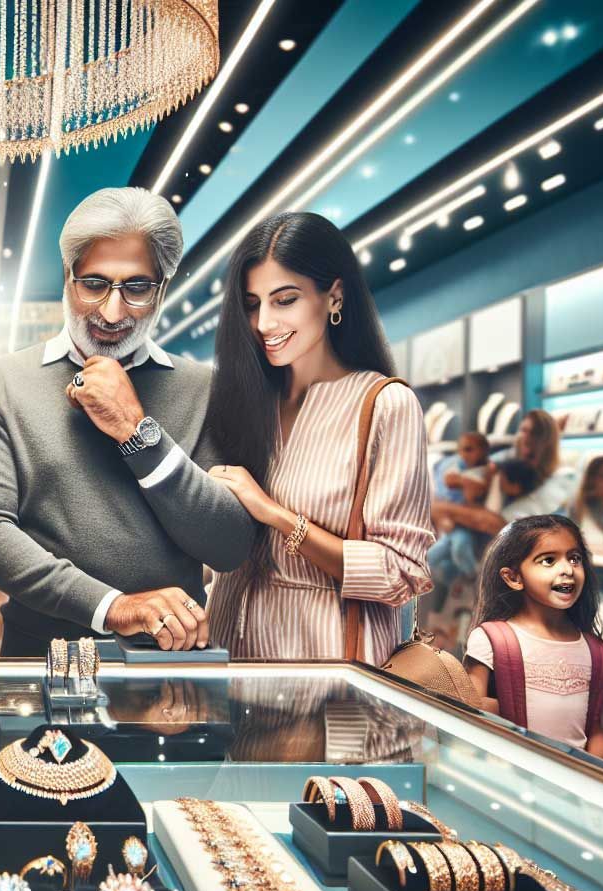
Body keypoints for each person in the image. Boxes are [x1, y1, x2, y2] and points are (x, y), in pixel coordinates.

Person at [0, 187, 253, 655]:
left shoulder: (205, 390)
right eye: (94, 284)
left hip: (169, 664)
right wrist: (114, 607)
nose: (112, 313)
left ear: (162, 289)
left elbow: (228, 545)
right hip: (41, 657)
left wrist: (139, 434)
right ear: (67, 278)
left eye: (136, 288)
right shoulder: (0, 385)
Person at [197, 211, 434, 662]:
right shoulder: (245, 400)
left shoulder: (385, 405)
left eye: (285, 300)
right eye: (252, 304)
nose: (264, 322)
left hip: (325, 659)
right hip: (228, 651)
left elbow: (400, 574)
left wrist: (277, 516)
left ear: (334, 295)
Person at [465, 514, 603, 758]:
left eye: (574, 559)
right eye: (548, 560)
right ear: (513, 578)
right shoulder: (492, 639)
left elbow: (594, 728)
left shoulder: (596, 652)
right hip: (512, 773)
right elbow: (470, 711)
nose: (567, 570)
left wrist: (595, 771)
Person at [433, 410, 578, 533]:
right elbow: (471, 473)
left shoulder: (563, 479)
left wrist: (444, 509)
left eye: (535, 433)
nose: (526, 437)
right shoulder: (511, 457)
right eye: (524, 431)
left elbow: (504, 524)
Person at [428, 431, 493, 589]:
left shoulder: (487, 471)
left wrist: (463, 482)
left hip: (469, 526)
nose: (463, 454)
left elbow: (473, 495)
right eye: (461, 450)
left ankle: (476, 579)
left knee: (459, 547)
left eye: (469, 449)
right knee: (430, 557)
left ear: (483, 450)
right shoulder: (454, 465)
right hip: (452, 525)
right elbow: (446, 486)